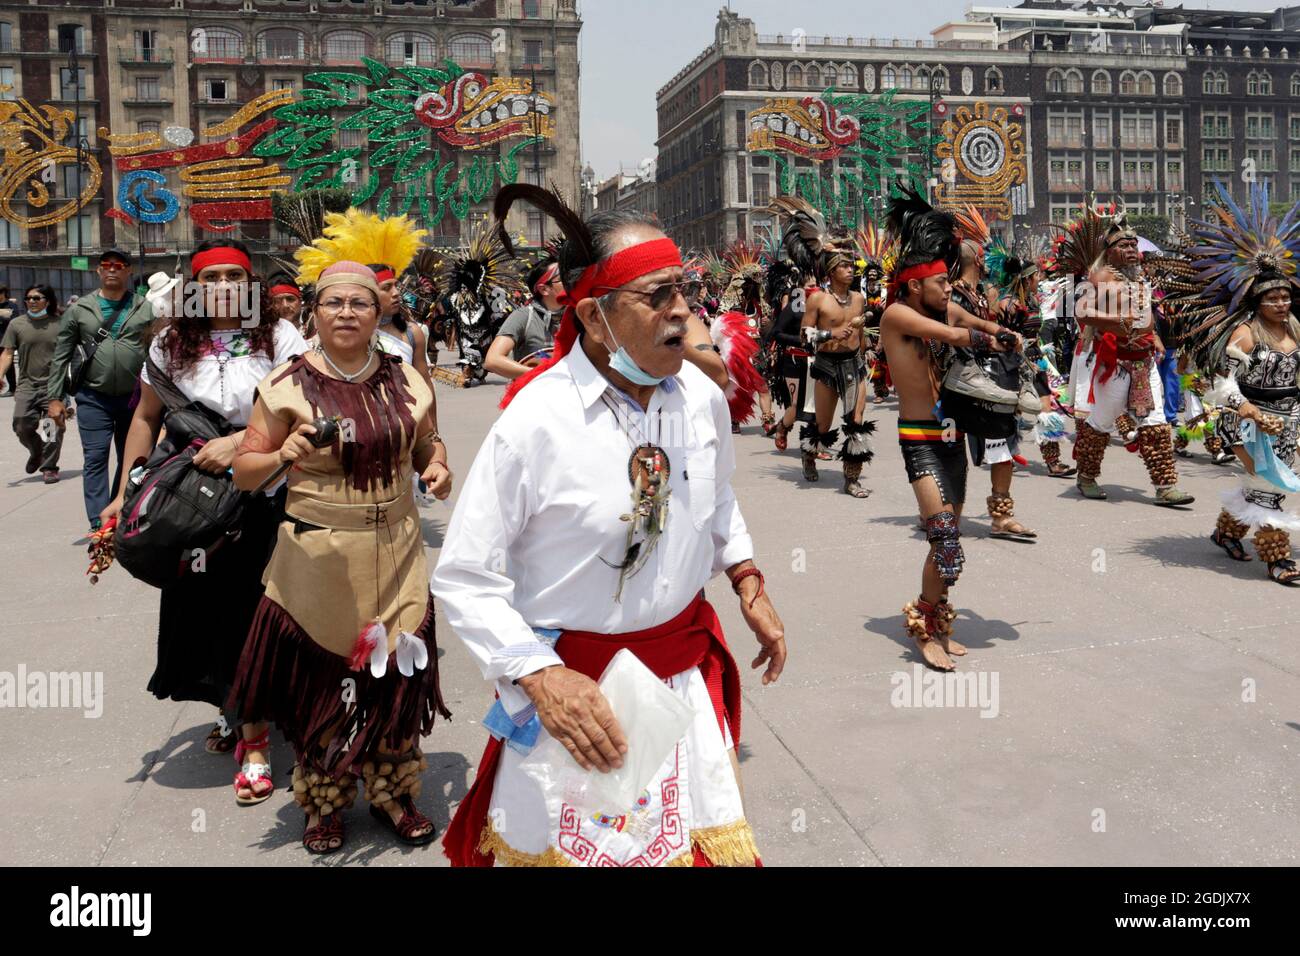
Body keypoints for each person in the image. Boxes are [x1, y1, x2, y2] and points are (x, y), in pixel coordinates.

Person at [435, 185, 786, 867]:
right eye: (657, 296)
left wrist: (746, 579)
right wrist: (540, 678)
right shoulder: (536, 420)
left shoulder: (703, 400)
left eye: (683, 289)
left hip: (679, 687)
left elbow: (716, 502)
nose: (683, 311)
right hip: (576, 707)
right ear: (595, 318)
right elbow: (466, 576)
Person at [229, 261, 453, 854]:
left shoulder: (408, 379)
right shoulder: (284, 385)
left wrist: (437, 465)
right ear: (315, 313)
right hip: (318, 559)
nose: (347, 312)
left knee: (398, 677)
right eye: (334, 303)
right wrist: (283, 454)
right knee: (326, 684)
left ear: (379, 315)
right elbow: (245, 473)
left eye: (360, 303)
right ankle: (325, 797)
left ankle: (392, 790)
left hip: (398, 552)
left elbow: (429, 440)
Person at [101, 240, 309, 801]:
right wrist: (126, 491)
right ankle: (242, 716)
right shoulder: (171, 341)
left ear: (251, 283)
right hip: (195, 501)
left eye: (233, 274)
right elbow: (144, 419)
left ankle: (259, 731)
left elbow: (307, 410)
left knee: (264, 609)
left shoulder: (282, 337)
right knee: (209, 611)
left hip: (269, 493)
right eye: (210, 275)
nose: (222, 283)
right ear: (193, 285)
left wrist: (238, 441)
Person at [880, 190, 1012, 672]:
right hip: (919, 441)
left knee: (950, 542)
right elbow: (957, 334)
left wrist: (1005, 333)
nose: (948, 290)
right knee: (945, 539)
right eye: (940, 283)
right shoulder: (897, 316)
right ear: (915, 286)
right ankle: (922, 626)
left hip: (953, 438)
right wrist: (973, 333)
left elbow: (978, 323)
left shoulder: (944, 308)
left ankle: (934, 622)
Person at [1170, 184, 1300, 584]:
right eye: (1273, 299)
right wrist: (1250, 411)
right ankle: (1277, 559)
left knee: (1256, 487)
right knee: (1268, 488)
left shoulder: (1295, 328)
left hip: (1289, 420)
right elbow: (1218, 383)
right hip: (1249, 424)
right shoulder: (1245, 334)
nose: (1282, 303)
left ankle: (1226, 531)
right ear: (1256, 302)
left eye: (1285, 296)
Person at [1071, 214, 1194, 505]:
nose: (1130, 250)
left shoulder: (1139, 278)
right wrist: (1116, 321)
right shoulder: (1101, 276)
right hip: (1114, 362)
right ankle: (1086, 476)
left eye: (1133, 245)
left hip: (1145, 361)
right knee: (1102, 420)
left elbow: (1145, 315)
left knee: (1155, 422)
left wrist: (1156, 338)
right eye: (1124, 245)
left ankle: (1165, 486)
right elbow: (1081, 311)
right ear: (1109, 251)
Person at [45, 249, 155, 531]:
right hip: (93, 397)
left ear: (128, 271)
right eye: (107, 265)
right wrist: (55, 398)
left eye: (119, 266)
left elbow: (157, 351)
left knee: (131, 459)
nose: (112, 270)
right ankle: (97, 520)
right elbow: (61, 355)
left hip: (135, 399)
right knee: (95, 457)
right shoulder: (79, 309)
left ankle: (119, 509)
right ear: (98, 271)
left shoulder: (145, 307)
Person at [773, 197, 875, 497]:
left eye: (851, 266)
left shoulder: (858, 298)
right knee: (822, 423)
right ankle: (809, 454)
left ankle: (852, 479)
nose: (851, 270)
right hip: (827, 366)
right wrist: (832, 332)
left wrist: (866, 346)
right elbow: (805, 335)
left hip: (854, 366)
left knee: (856, 422)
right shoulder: (818, 299)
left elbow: (862, 331)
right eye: (844, 266)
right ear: (831, 272)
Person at [0, 285, 65, 482]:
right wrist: (0, 374)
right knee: (21, 426)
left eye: (37, 298)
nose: (32, 302)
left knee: (51, 427)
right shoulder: (17, 324)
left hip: (53, 387)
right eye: (28, 298)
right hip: (27, 386)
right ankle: (37, 451)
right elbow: (8, 353)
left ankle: (49, 467)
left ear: (48, 300)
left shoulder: (60, 323)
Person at [486, 259, 566, 380]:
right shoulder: (523, 316)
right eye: (562, 278)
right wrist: (541, 374)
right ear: (544, 289)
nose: (570, 280)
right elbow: (492, 360)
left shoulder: (577, 314)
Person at [0, 283, 18, 394]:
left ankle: (12, 388)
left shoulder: (11, 305)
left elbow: (14, 319)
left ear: (3, 293)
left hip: (6, 338)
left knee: (8, 364)